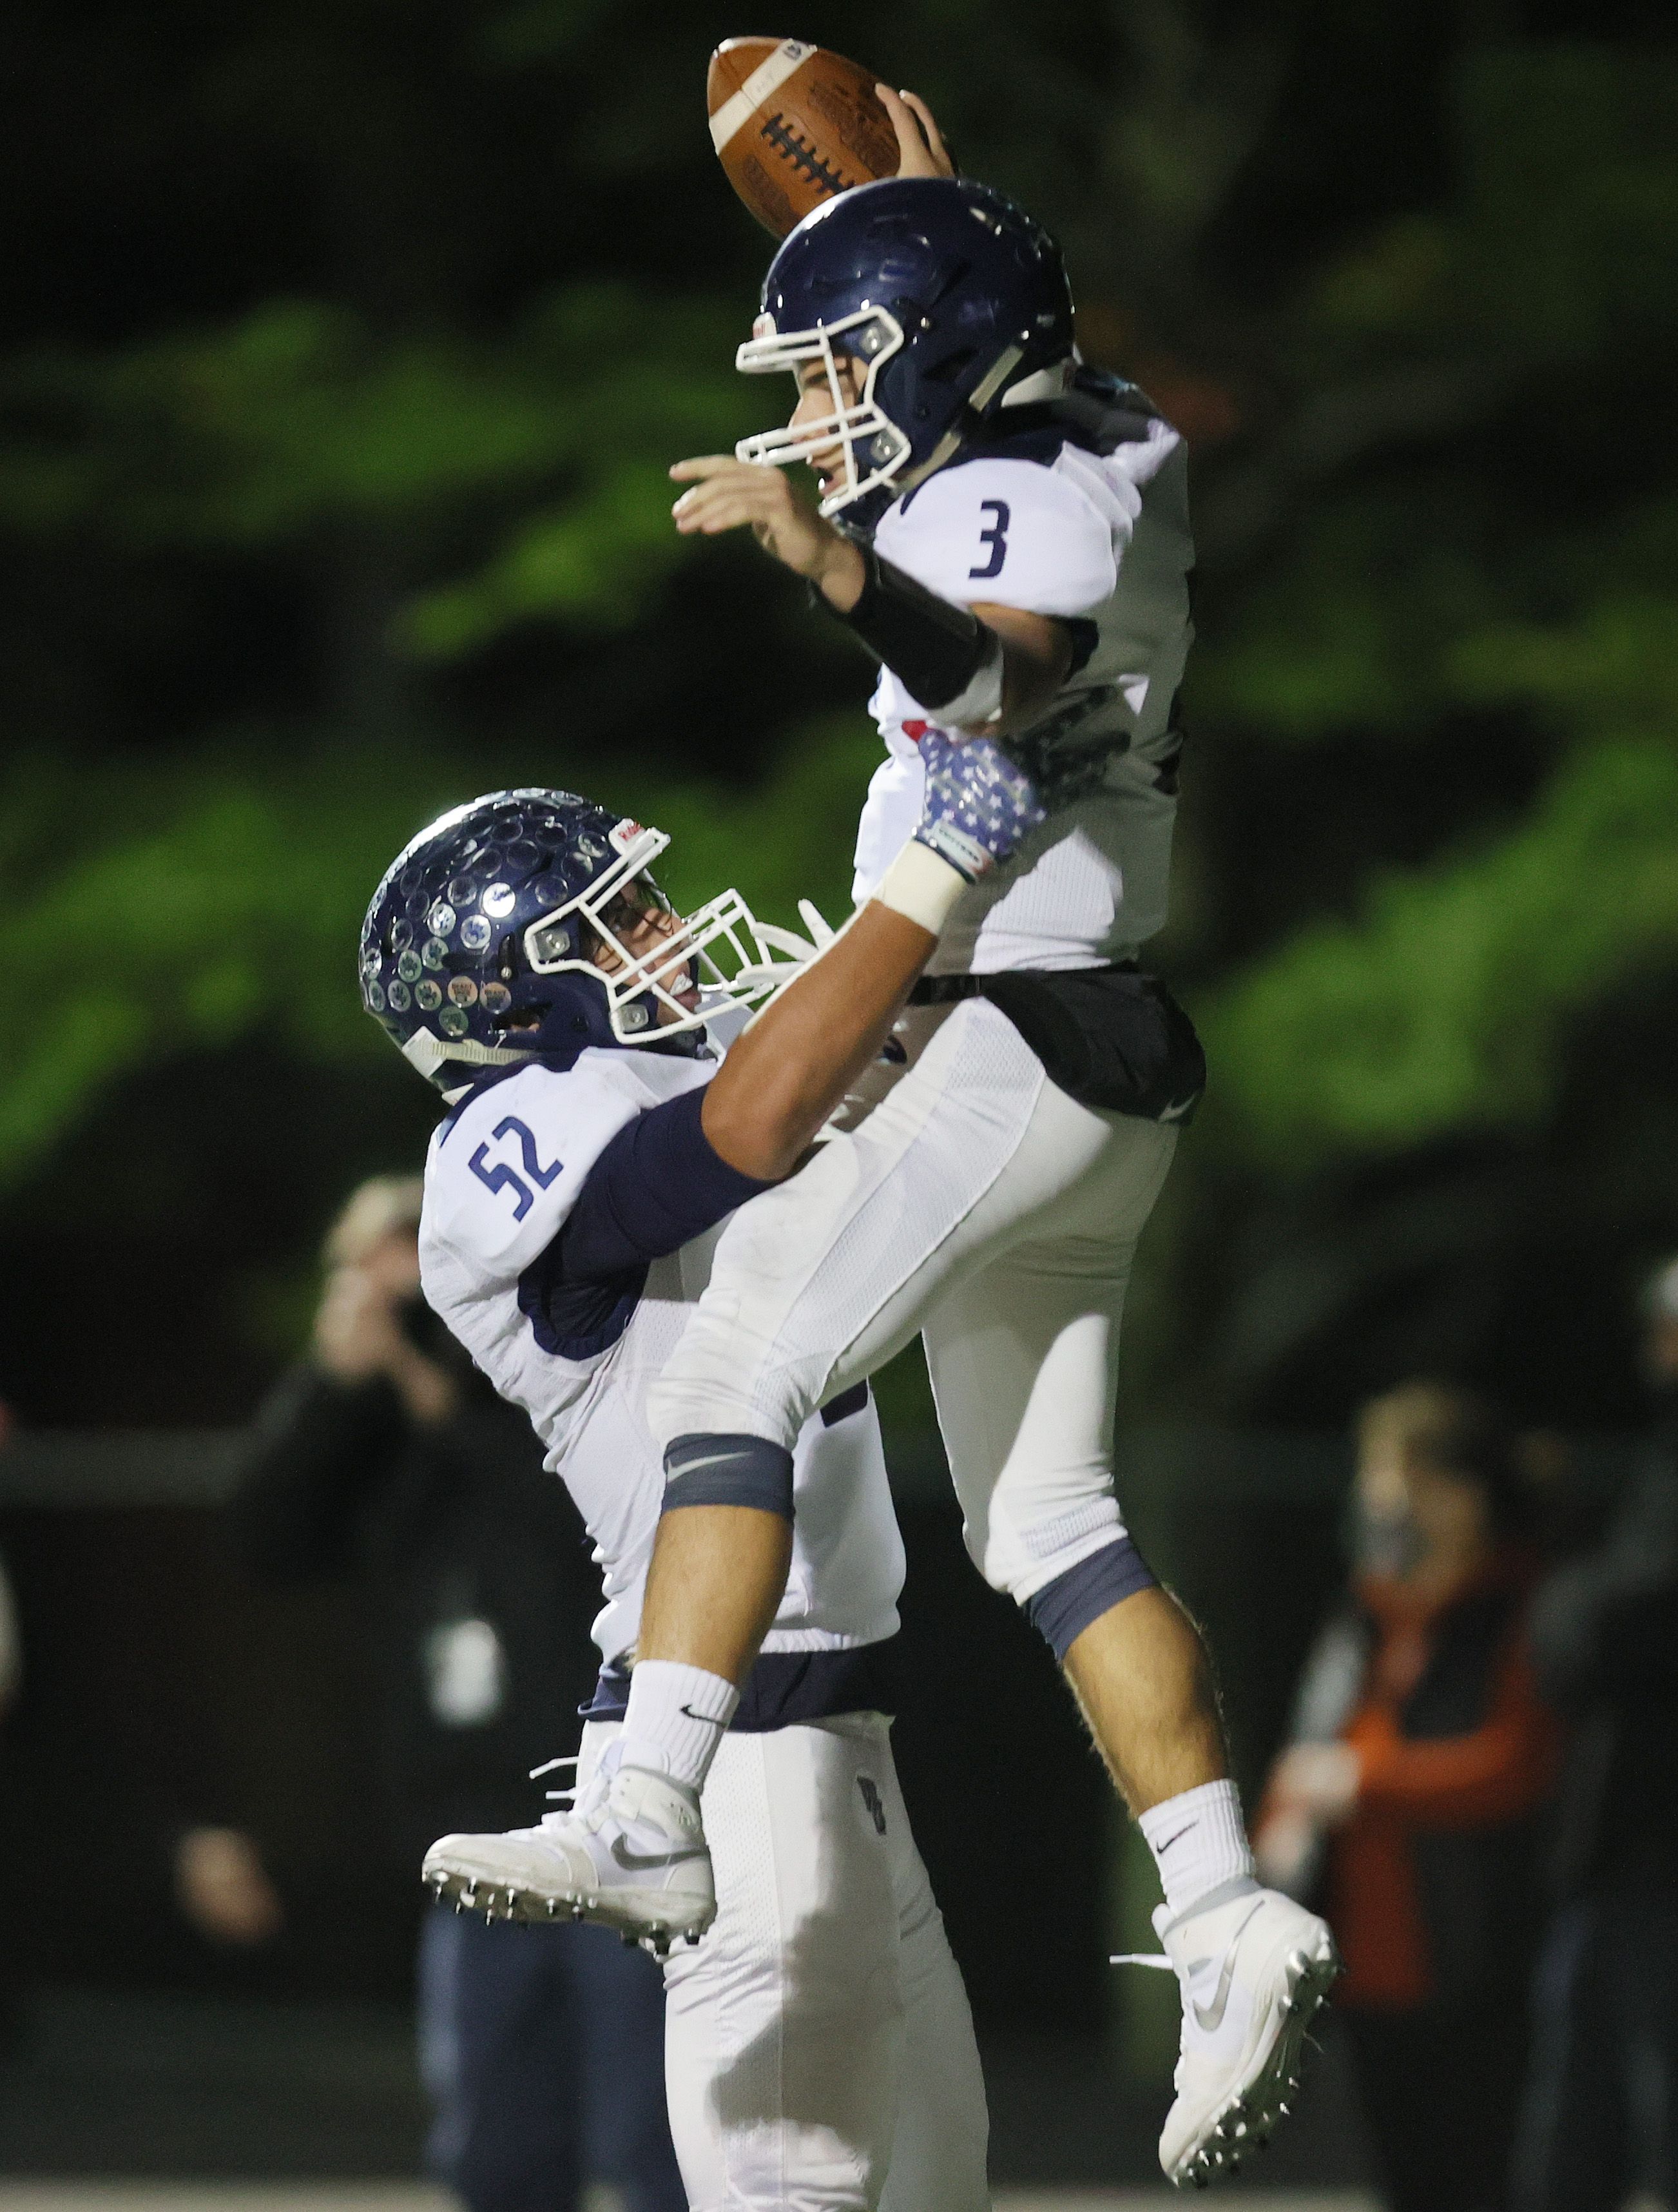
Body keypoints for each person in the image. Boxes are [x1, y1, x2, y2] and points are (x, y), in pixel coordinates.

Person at [500, 172, 1336, 2187]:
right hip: (1092, 1051)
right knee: (1048, 1517)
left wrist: (821, 559)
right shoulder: (1101, 431)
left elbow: (1001, 677)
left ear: (950, 350)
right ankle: (1227, 1907)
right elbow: (1032, 416)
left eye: (843, 366)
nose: (817, 413)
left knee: (739, 1371)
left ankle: (643, 1801)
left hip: (1000, 1022)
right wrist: (917, 216)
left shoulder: (1009, 494)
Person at [358, 775, 1023, 2211]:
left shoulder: (684, 1056)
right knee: (796, 2190)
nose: (665, 933)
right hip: (744, 1734)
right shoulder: (505, 1143)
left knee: (934, 2187)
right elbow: (735, 1137)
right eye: (619, 922)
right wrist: (936, 860)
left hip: (836, 1727)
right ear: (518, 1004)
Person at [227, 1176, 686, 2212]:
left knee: (653, 2147)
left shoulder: (555, 1391)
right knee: (495, 2160)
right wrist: (329, 1382)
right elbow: (259, 1538)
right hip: (469, 1849)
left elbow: (566, 1527)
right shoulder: (369, 1449)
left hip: (612, 1836)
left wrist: (441, 1388)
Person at [1254, 1382, 1558, 2212]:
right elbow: (1302, 1762)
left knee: (1485, 2180)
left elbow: (1516, 1768)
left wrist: (1365, 1782)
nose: (1387, 1508)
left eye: (1410, 1486)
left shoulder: (1522, 1607)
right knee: (1404, 2179)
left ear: (1468, 1496)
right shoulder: (1366, 1611)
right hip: (1369, 1958)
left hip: (1479, 1960)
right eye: (1380, 1486)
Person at [1510, 1259, 1678, 2212]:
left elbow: (1622, 1622)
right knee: (1572, 2139)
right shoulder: (1657, 1467)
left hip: (1658, 1864)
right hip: (1618, 1857)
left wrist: (1572, 1613)